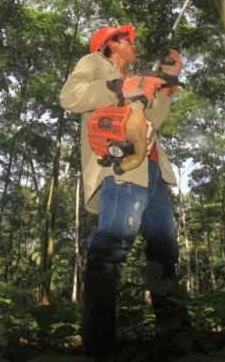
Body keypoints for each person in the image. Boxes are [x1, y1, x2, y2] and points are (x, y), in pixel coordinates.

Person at [60, 24, 187, 359]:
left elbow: (154, 121)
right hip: (120, 167)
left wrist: (167, 83)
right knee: (109, 249)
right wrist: (120, 85)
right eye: (127, 40)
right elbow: (70, 97)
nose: (133, 44)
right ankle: (99, 348)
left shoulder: (138, 80)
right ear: (111, 44)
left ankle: (177, 342)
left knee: (165, 253)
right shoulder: (93, 63)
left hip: (154, 169)